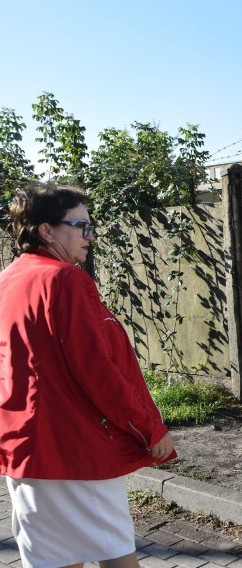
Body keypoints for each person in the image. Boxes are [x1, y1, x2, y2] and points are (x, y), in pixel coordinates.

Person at [0, 183, 176, 568]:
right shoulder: (65, 280)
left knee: (54, 559)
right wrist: (149, 428)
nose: (90, 235)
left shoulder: (9, 278)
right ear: (46, 230)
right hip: (76, 450)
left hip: (26, 453)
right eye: (80, 225)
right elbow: (98, 371)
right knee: (114, 555)